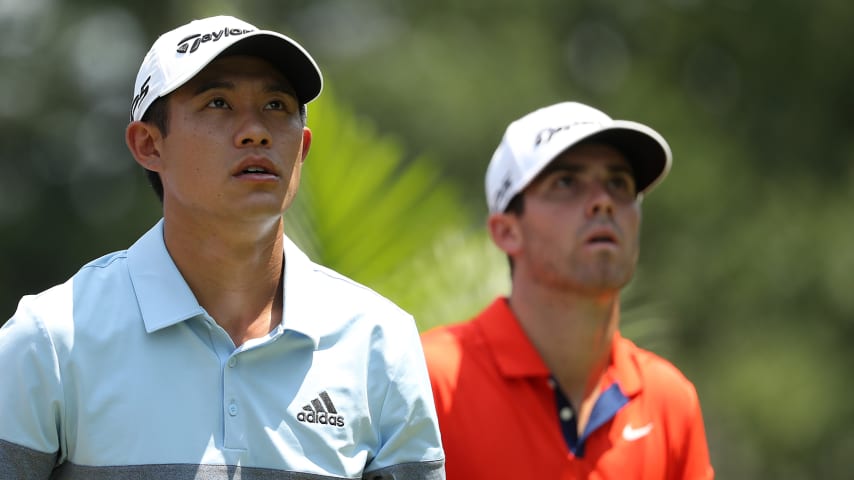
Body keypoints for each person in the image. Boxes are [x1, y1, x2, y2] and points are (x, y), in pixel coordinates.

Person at [0, 15, 444, 480]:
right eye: (218, 103)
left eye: (276, 104)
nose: (256, 131)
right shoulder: (51, 339)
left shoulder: (380, 341)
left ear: (303, 148)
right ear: (149, 144)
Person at [421, 101, 713, 479]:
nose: (603, 202)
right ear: (507, 231)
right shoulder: (430, 382)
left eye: (619, 183)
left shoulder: (670, 401)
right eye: (566, 183)